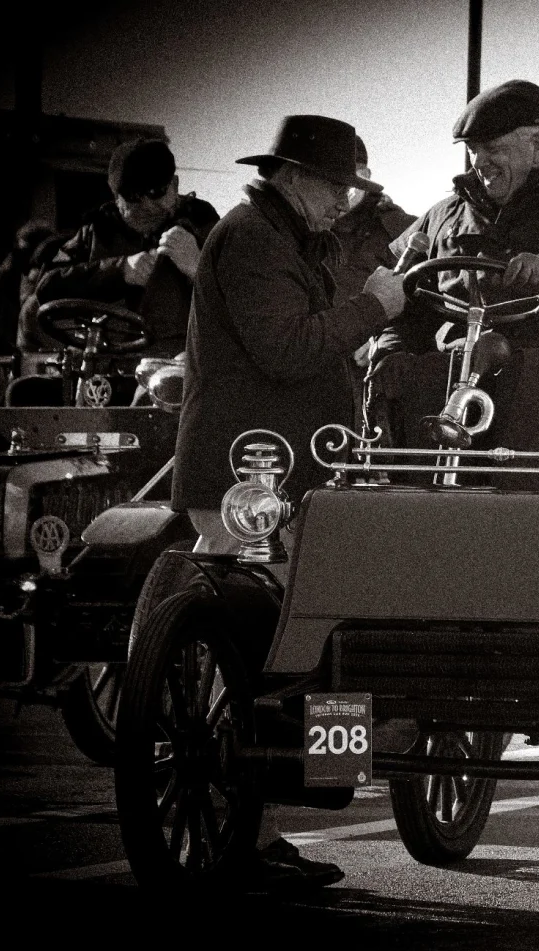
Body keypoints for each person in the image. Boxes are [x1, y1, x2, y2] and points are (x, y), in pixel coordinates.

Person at [171, 115, 405, 890]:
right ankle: (264, 826)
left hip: (272, 477)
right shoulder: (252, 239)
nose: (344, 200)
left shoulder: (275, 236)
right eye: (336, 185)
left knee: (277, 643)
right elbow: (290, 347)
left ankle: (292, 803)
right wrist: (375, 308)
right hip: (247, 483)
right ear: (294, 177)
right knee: (268, 648)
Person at [379, 79, 539, 453]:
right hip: (458, 366)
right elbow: (395, 287)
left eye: (492, 149)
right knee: (418, 373)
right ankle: (419, 498)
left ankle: (524, 500)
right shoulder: (447, 213)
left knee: (536, 375)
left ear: (536, 145)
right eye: (472, 150)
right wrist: (391, 352)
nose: (479, 162)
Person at [32, 138, 219, 356]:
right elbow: (47, 288)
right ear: (117, 198)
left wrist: (197, 267)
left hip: (176, 367)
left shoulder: (203, 224)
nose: (148, 206)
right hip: (106, 366)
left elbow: (241, 301)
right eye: (134, 198)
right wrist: (118, 270)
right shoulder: (98, 231)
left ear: (174, 185)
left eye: (157, 192)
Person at [332, 135, 416, 299]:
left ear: (366, 176)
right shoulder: (304, 231)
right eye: (331, 184)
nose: (338, 194)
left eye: (348, 183)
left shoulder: (403, 230)